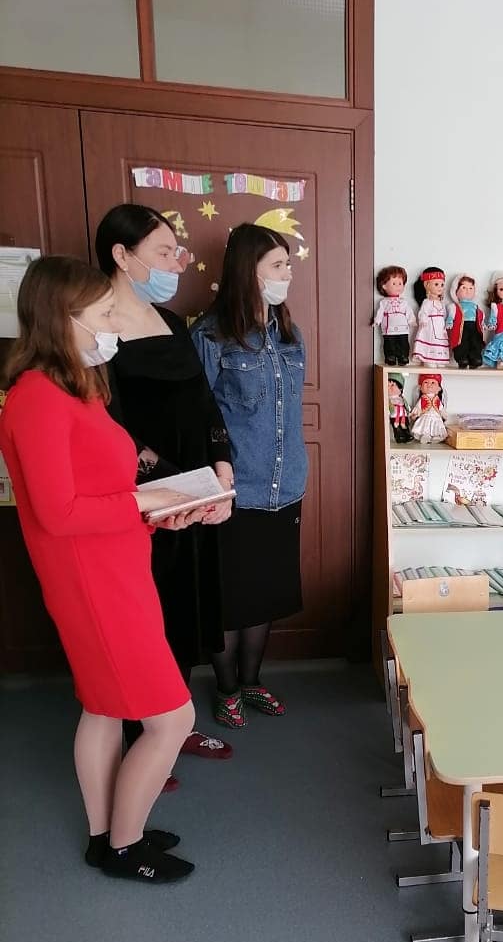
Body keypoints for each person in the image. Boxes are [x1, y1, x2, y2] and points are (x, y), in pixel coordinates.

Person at [0, 256, 201, 882]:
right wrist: (145, 503)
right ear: (63, 318)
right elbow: (58, 512)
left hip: (115, 565)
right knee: (174, 718)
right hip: (91, 580)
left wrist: (156, 514)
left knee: (104, 706)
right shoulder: (35, 398)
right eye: (105, 313)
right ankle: (124, 845)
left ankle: (104, 835)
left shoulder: (77, 388)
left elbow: (101, 491)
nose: (116, 323)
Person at [96, 204, 235, 781]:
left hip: (193, 494)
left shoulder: (172, 323)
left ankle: (174, 724)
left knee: (183, 607)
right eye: (162, 251)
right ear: (121, 255)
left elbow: (204, 403)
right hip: (142, 498)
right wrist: (165, 477)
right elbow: (105, 423)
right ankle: (140, 735)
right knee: (141, 619)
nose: (176, 263)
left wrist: (221, 464)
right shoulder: (94, 326)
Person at [191, 224, 307, 727]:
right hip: (233, 490)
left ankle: (253, 680)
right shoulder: (210, 335)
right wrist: (214, 481)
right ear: (248, 271)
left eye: (287, 264)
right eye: (277, 265)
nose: (287, 274)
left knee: (264, 594)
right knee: (230, 598)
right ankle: (227, 688)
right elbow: (199, 415)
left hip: (287, 486)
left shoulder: (288, 332)